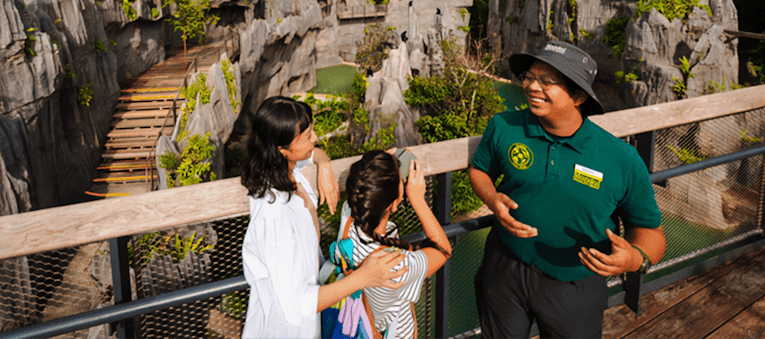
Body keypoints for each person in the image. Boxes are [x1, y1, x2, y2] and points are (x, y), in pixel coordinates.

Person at [470, 39, 666, 339]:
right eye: (530, 77)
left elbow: (650, 232)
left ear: (577, 96)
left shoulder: (620, 159)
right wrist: (492, 197)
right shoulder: (504, 126)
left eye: (547, 81)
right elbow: (480, 170)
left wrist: (634, 260)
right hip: (504, 265)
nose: (533, 87)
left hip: (575, 281)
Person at [240, 96, 407, 339]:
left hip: (312, 325)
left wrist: (324, 164)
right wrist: (364, 277)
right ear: (282, 150)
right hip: (286, 330)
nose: (315, 138)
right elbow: (296, 303)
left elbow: (312, 154)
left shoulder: (287, 175)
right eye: (307, 136)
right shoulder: (274, 216)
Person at [341, 150, 452, 339]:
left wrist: (383, 163)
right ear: (394, 203)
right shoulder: (395, 264)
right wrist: (418, 200)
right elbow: (443, 250)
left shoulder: (348, 222)